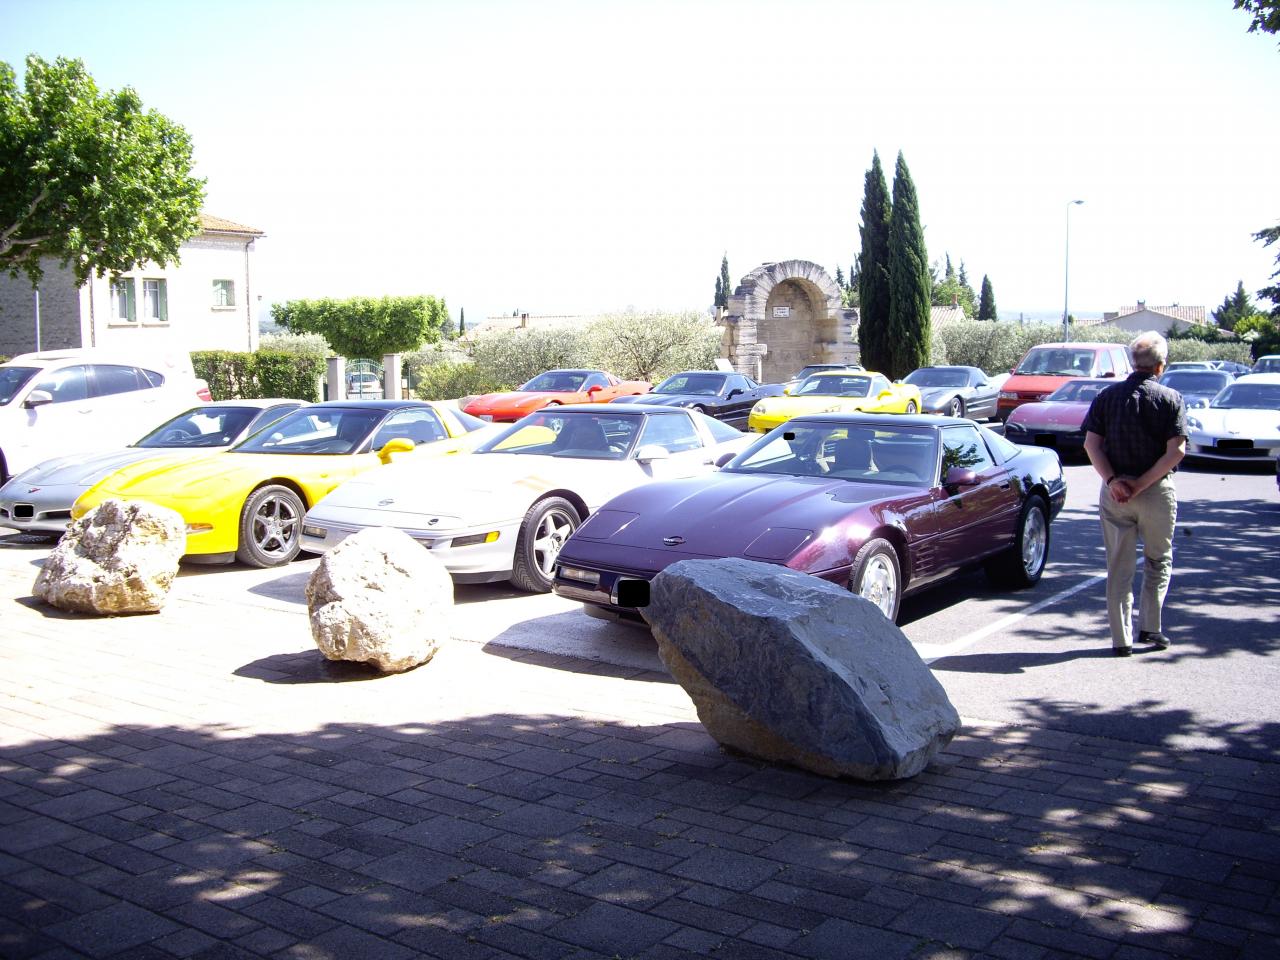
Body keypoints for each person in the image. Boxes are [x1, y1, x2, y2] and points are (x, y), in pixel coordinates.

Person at [1082, 331, 1188, 657]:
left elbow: (1091, 444)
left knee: (1119, 565)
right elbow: (1176, 452)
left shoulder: (1107, 397)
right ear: (1160, 366)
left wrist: (1115, 482)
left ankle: (1121, 639)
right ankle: (1151, 628)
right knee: (1158, 560)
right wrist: (1140, 485)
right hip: (1156, 492)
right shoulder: (1171, 399)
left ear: (1132, 362)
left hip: (1115, 495)